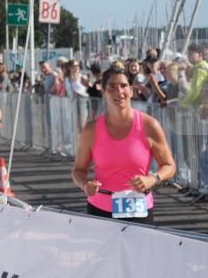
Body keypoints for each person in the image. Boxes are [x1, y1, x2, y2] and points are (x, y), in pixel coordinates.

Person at [71, 66, 175, 222]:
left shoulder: (149, 125)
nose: (119, 92)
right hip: (100, 209)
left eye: (124, 86)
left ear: (131, 90)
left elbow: (169, 166)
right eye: (112, 87)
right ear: (103, 92)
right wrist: (85, 185)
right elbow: (78, 170)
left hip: (139, 209)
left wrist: (152, 179)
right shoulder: (91, 130)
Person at [179, 43, 208, 108]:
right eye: (188, 54)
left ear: (200, 54)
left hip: (199, 105)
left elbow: (195, 91)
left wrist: (183, 104)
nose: (188, 56)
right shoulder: (203, 66)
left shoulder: (200, 69)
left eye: (191, 54)